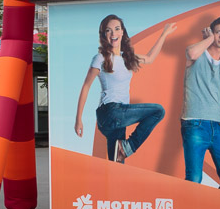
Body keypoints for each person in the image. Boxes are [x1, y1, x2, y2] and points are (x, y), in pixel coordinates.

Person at [75, 15, 176, 163]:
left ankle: (123, 150)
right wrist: (78, 120)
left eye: (116, 29)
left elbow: (149, 58)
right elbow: (86, 86)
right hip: (111, 112)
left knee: (116, 164)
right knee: (158, 111)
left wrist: (164, 34)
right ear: (104, 35)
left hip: (117, 119)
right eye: (108, 31)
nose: (113, 34)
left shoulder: (126, 58)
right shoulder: (101, 58)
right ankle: (129, 146)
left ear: (122, 32)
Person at [181, 17, 220, 192]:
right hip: (194, 123)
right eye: (218, 32)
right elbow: (190, 54)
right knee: (194, 179)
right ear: (211, 32)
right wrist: (208, 39)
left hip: (218, 126)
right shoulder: (196, 54)